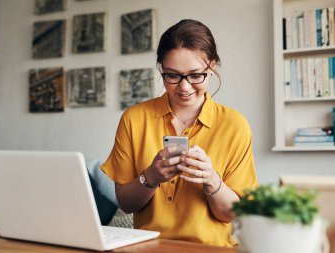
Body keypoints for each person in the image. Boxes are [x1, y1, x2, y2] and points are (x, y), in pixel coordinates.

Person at [101, 19, 258, 247]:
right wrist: (151, 177)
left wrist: (211, 180)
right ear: (161, 69)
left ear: (211, 67)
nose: (184, 88)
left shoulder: (234, 125)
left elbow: (235, 214)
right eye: (172, 75)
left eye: (195, 75)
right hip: (149, 248)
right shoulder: (134, 118)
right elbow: (126, 204)